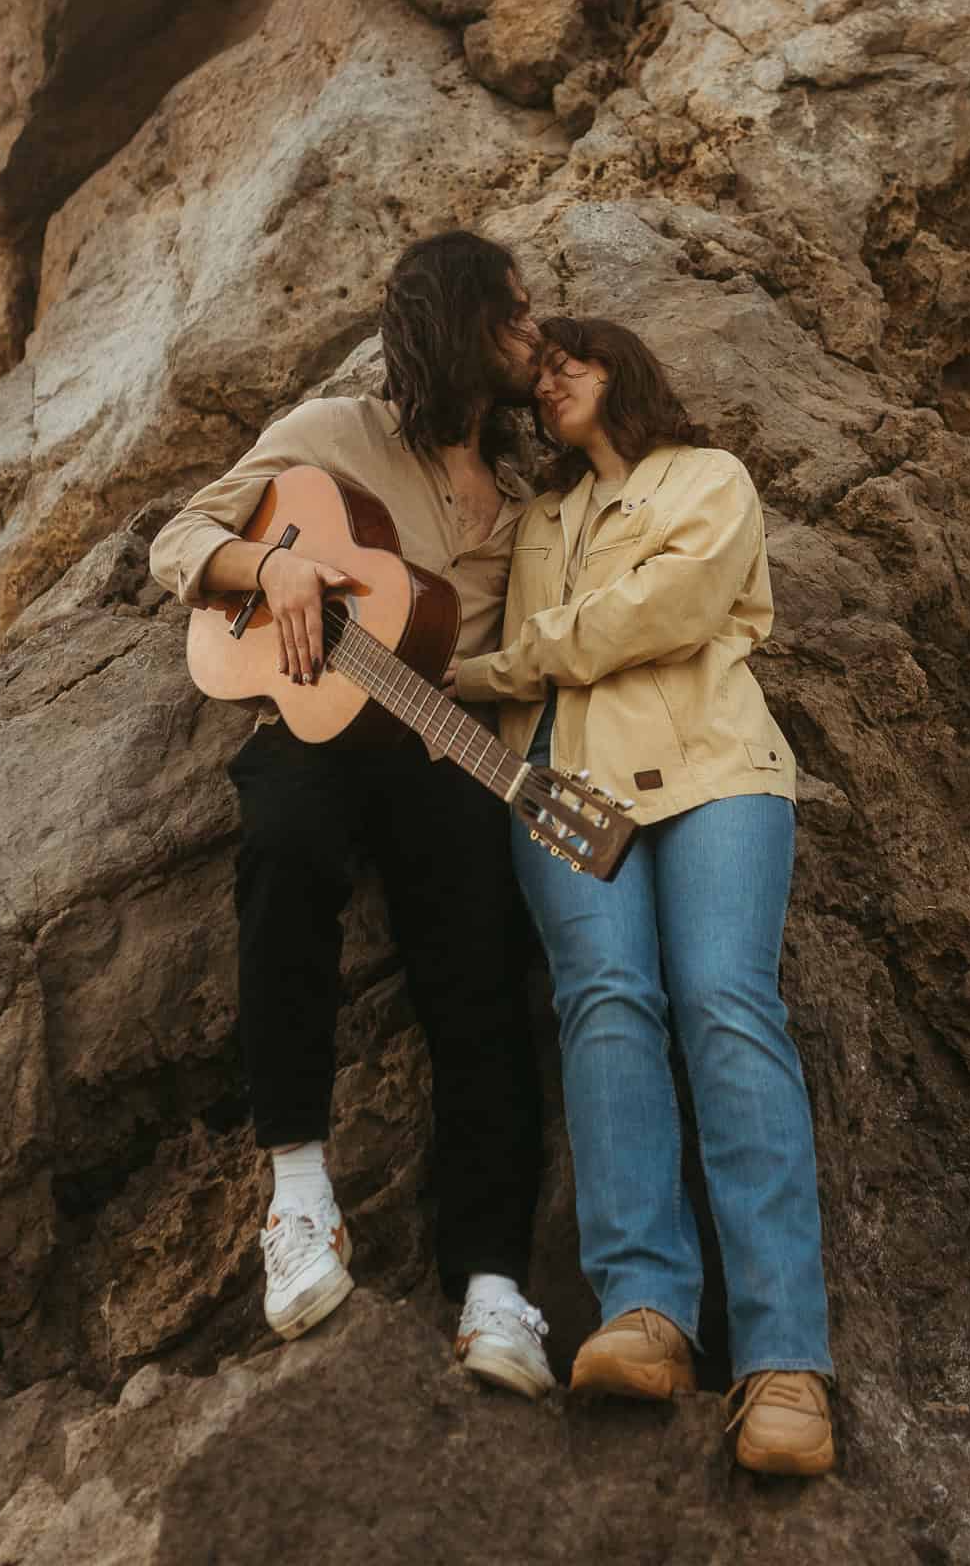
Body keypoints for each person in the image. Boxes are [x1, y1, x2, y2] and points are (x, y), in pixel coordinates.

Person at [149, 230, 554, 1399]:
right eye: (513, 314)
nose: (532, 333)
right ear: (458, 321)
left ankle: (490, 1281)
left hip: (441, 752)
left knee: (482, 961)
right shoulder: (330, 435)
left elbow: (503, 664)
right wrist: (269, 567)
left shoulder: (527, 509)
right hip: (312, 737)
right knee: (283, 844)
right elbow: (181, 536)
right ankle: (300, 1194)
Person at [449, 316, 835, 1471]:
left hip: (717, 770)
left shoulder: (708, 477)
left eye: (576, 356)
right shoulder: (535, 521)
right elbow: (464, 620)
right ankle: (648, 1314)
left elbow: (666, 608)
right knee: (606, 1000)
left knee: (725, 1000)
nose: (551, 377)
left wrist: (505, 666)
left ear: (632, 367)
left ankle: (785, 1364)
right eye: (539, 370)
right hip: (563, 791)